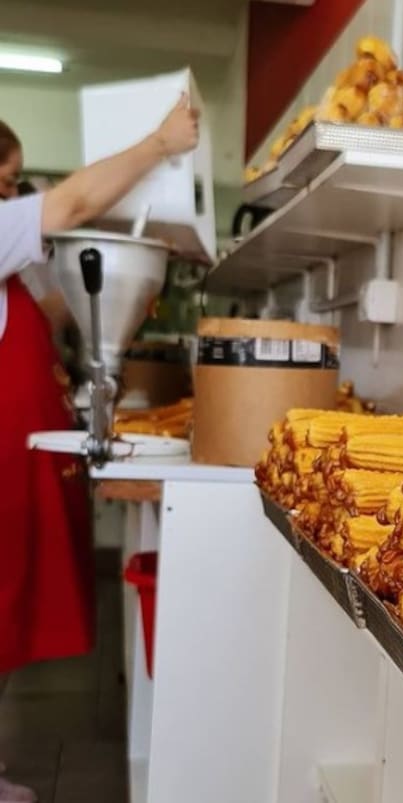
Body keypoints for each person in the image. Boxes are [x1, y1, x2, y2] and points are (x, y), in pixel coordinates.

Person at [0, 96, 199, 802]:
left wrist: (141, 275)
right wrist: (160, 143)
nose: (16, 192)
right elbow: (73, 201)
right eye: (8, 178)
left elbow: (59, 307)